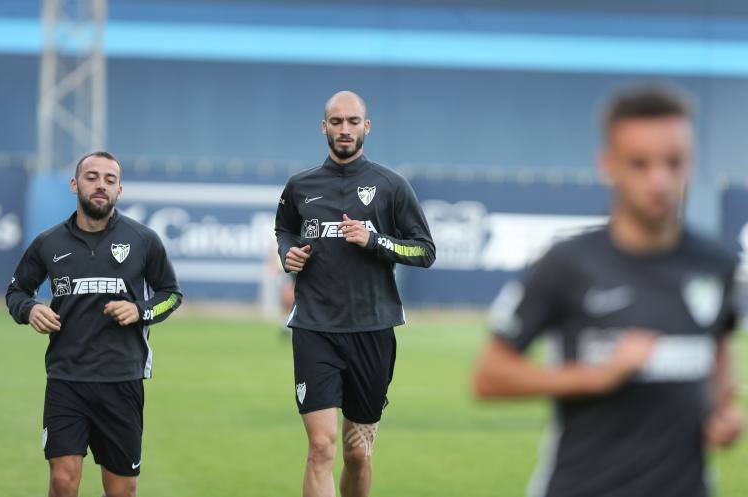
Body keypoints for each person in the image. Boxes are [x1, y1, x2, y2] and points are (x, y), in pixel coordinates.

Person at [473, 85, 743, 497]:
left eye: (674, 163)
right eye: (640, 164)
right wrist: (596, 377)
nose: (660, 180)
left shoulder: (715, 264)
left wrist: (721, 411)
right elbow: (490, 377)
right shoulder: (567, 264)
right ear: (608, 165)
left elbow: (717, 349)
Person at [275, 90, 436, 497]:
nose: (343, 130)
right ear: (324, 127)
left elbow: (424, 250)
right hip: (315, 327)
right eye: (336, 122)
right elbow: (285, 230)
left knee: (357, 453)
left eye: (352, 121)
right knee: (320, 446)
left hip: (372, 330)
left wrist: (375, 241)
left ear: (366, 126)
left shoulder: (391, 186)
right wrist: (287, 254)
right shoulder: (299, 186)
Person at [6, 151, 182, 497]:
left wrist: (140, 310)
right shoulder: (48, 242)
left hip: (122, 380)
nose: (100, 185)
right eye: (92, 177)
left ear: (119, 190)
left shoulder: (143, 240)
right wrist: (29, 310)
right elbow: (16, 291)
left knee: (121, 491)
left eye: (109, 180)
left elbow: (171, 295)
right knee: (62, 480)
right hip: (66, 379)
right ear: (75, 185)